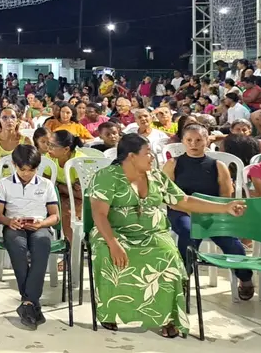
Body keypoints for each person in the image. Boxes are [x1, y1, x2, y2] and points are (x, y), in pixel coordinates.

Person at [87, 133, 248, 338]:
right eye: (147, 154)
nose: (152, 158)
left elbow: (184, 201)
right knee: (105, 251)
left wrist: (225, 207)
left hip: (152, 232)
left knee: (170, 256)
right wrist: (113, 243)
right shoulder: (107, 176)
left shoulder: (155, 175)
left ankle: (169, 318)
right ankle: (111, 311)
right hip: (114, 232)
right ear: (131, 156)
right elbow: (99, 214)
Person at [160, 123, 255, 300]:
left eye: (198, 140)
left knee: (231, 242)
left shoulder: (218, 166)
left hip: (214, 211)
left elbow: (225, 196)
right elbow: (167, 197)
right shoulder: (173, 164)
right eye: (189, 140)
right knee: (189, 232)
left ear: (206, 141)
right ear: (183, 141)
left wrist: (211, 211)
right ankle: (183, 277)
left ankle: (245, 277)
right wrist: (189, 210)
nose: (193, 144)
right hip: (181, 211)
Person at [0, 144, 60, 328]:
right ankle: (32, 303)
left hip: (39, 225)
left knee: (42, 245)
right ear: (14, 165)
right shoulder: (5, 184)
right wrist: (8, 222)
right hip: (14, 225)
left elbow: (55, 215)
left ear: (37, 168)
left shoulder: (46, 185)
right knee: (18, 248)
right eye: (22, 170)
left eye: (31, 170)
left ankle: (27, 303)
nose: (27, 174)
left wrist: (42, 223)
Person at [0, 106, 31, 185]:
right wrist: (0, 189)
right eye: (4, 118)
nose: (9, 120)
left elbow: (29, 170)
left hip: (21, 183)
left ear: (17, 121)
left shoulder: (26, 141)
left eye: (13, 117)